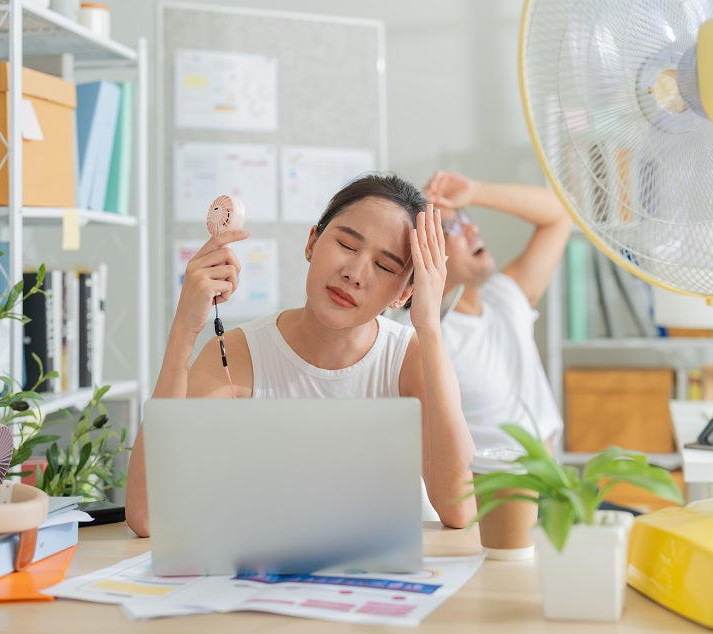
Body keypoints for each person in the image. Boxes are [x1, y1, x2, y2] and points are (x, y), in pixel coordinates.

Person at [126, 173, 476, 537]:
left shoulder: (410, 358)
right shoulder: (240, 354)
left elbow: (461, 509)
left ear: (404, 294)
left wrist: (430, 328)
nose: (354, 273)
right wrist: (185, 327)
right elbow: (148, 515)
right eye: (346, 244)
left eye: (385, 266)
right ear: (311, 242)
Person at [415, 170, 573, 454]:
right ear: (423, 254)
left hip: (554, 488)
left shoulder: (504, 299)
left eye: (467, 219)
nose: (472, 230)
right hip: (491, 494)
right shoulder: (424, 336)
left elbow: (560, 214)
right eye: (453, 227)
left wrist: (475, 191)